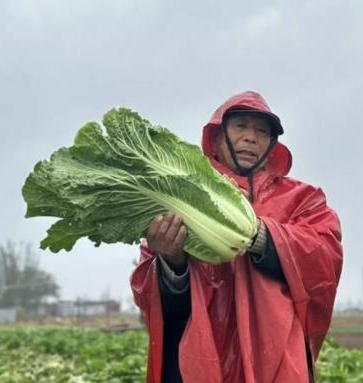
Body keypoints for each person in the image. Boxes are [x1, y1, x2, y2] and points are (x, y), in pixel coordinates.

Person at [131, 91, 343, 383]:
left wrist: (255, 233)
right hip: (198, 358)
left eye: (262, 132)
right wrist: (172, 263)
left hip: (276, 358)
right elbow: (149, 296)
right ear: (217, 136)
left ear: (271, 144)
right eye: (240, 126)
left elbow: (323, 257)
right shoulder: (179, 196)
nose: (251, 138)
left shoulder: (303, 199)